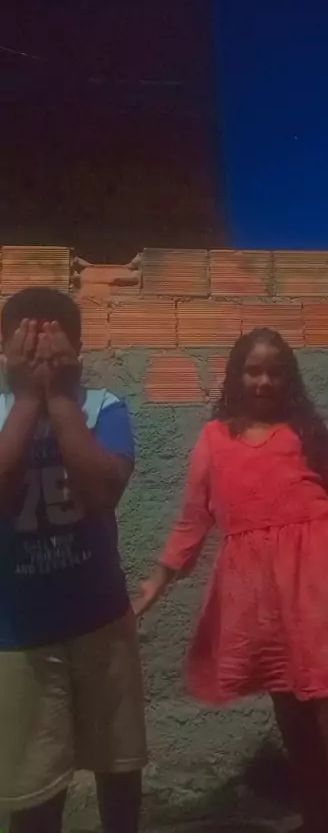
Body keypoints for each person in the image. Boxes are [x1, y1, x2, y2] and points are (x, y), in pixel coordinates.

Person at [133, 327, 328, 833]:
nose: (263, 381)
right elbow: (193, 520)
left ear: (289, 378)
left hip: (326, 574)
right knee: (295, 715)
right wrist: (157, 580)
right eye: (252, 371)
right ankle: (321, 823)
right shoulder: (214, 440)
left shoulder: (307, 433)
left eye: (275, 372)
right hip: (258, 591)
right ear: (235, 376)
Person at [0, 288, 147, 833]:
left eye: (52, 347)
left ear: (77, 351)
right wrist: (26, 401)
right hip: (18, 634)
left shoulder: (104, 407)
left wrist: (60, 400)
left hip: (101, 620)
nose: (40, 359)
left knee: (119, 768)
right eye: (26, 346)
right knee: (34, 790)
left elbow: (101, 491)